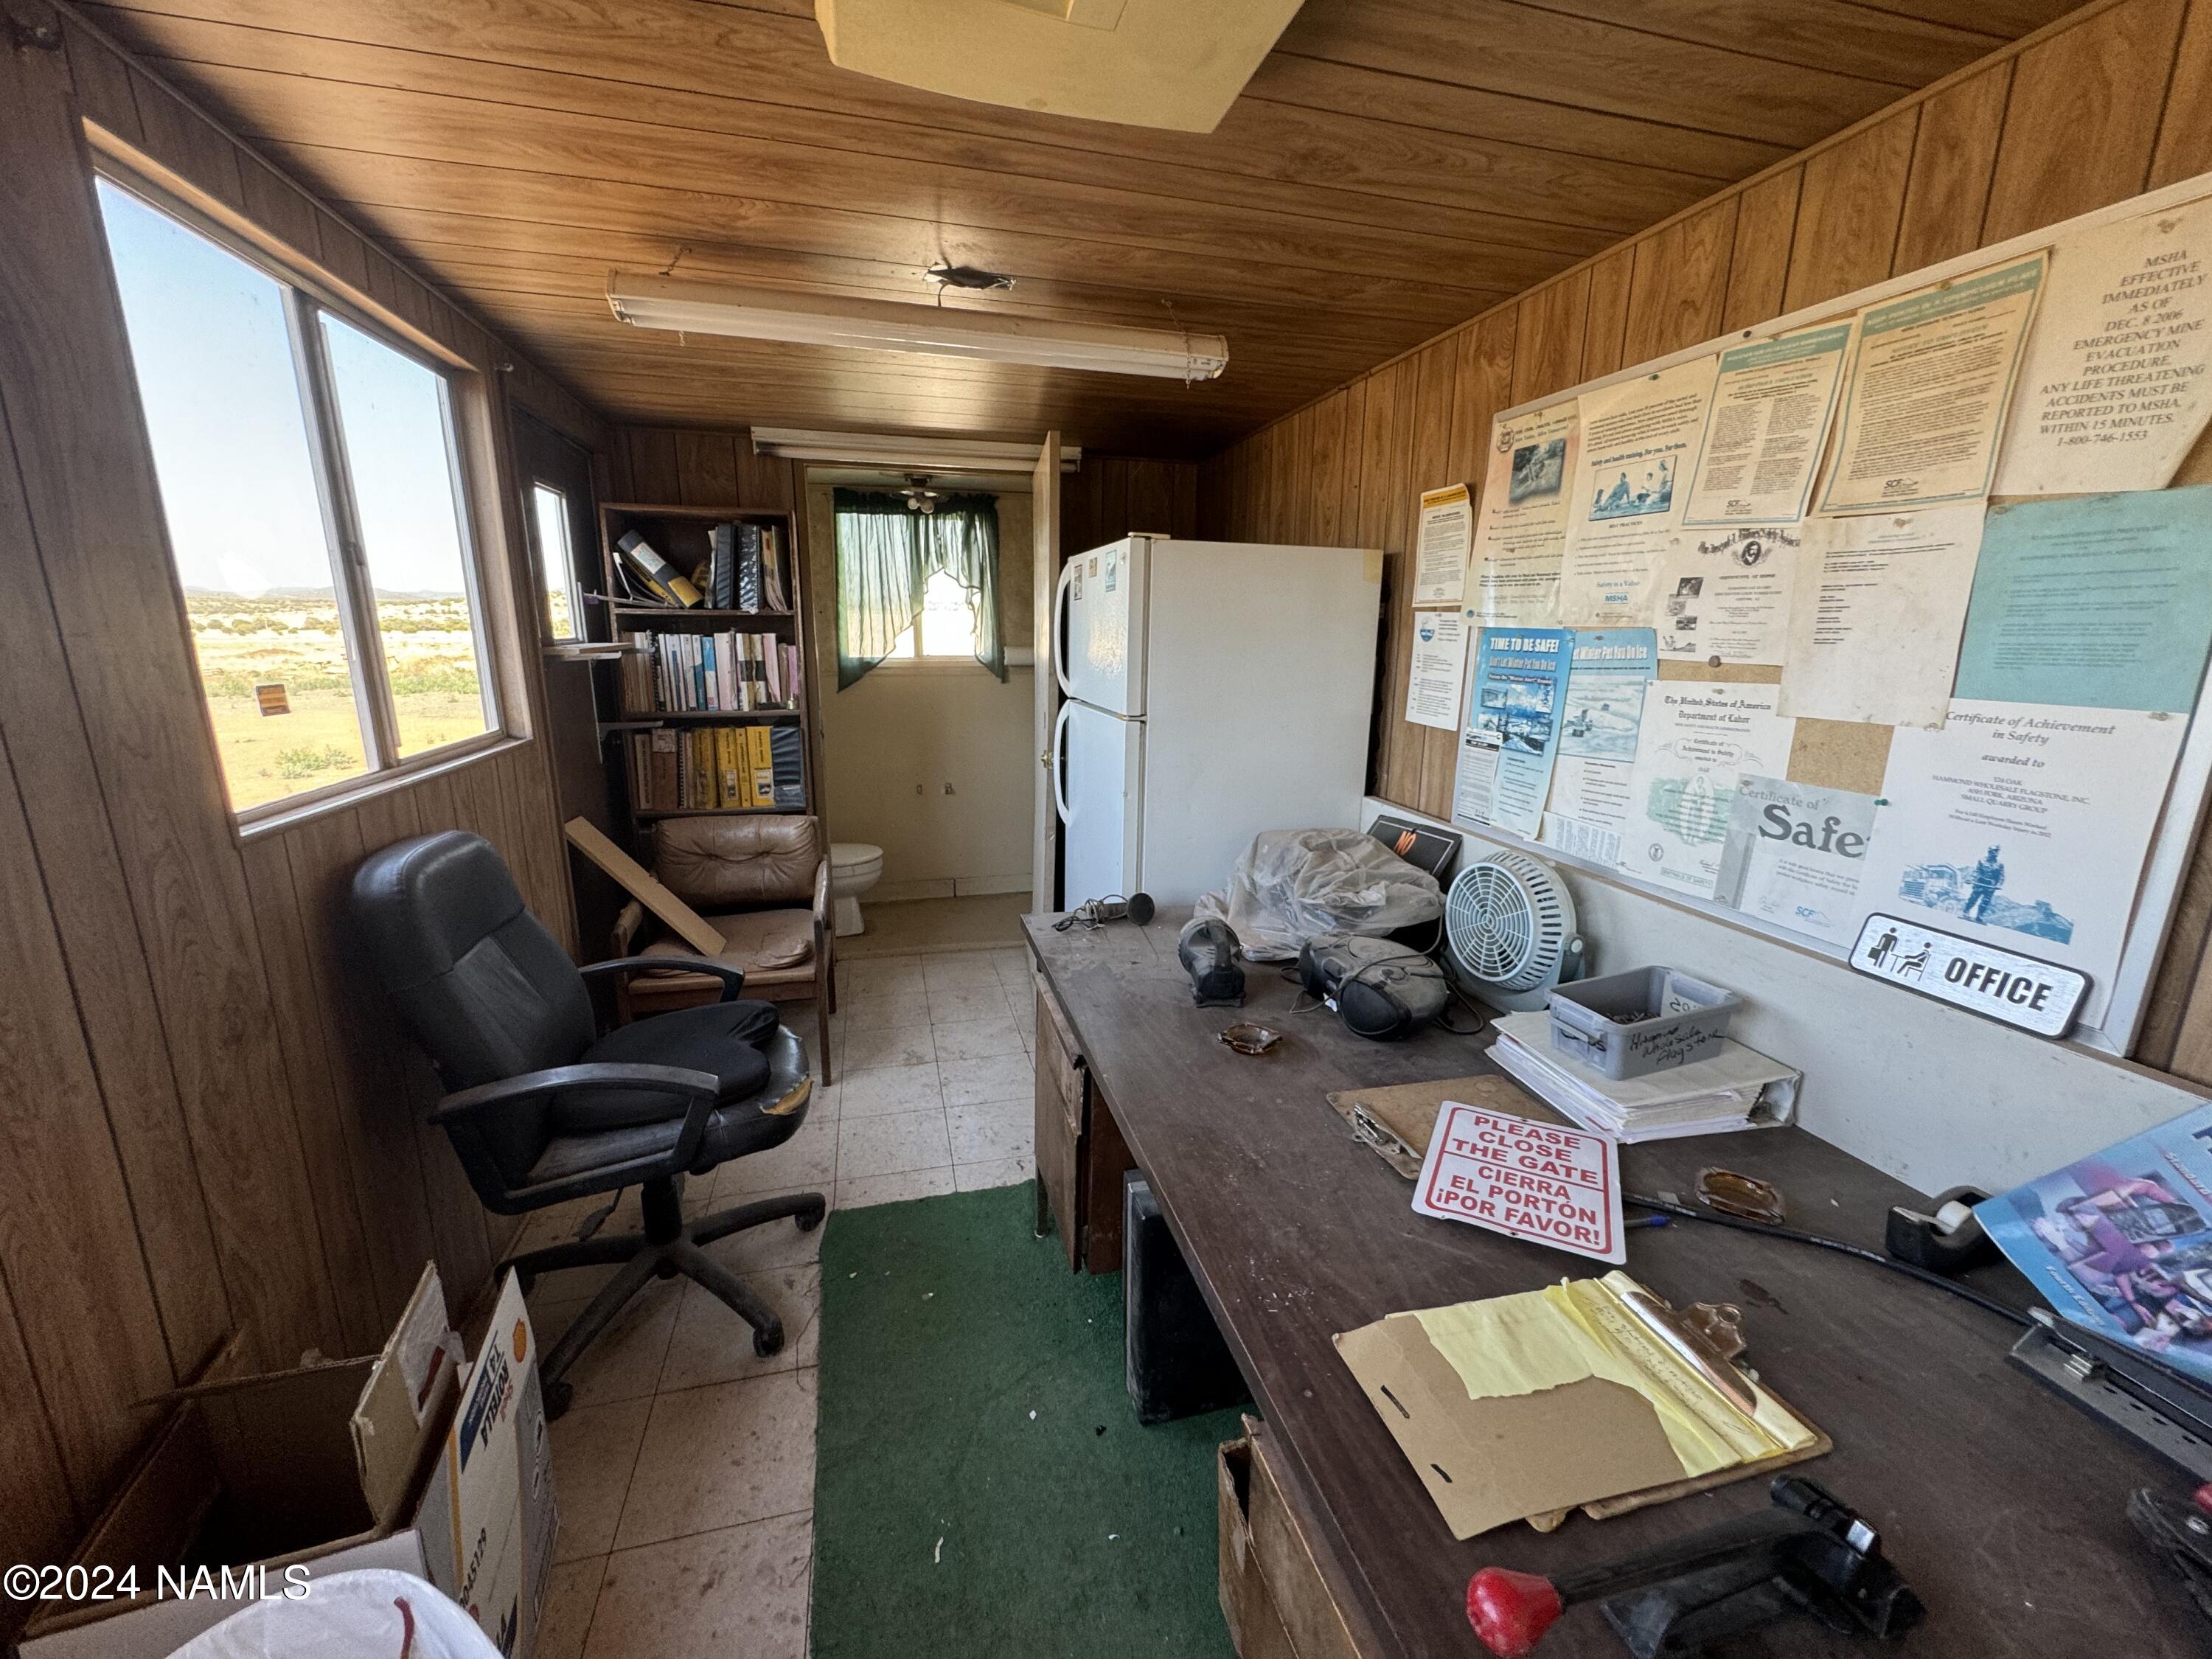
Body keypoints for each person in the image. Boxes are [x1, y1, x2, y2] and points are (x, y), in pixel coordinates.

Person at [1963, 844, 2005, 921]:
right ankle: (1966, 911)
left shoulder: (2000, 864)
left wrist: (1998, 885)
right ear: (1990, 852)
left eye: (1996, 852)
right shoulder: (1982, 861)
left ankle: (1980, 915)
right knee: (1973, 898)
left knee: (1985, 901)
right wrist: (1971, 879)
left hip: (1990, 885)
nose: (1995, 853)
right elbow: (1976, 871)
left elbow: (2001, 876)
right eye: (1994, 852)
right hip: (1980, 882)